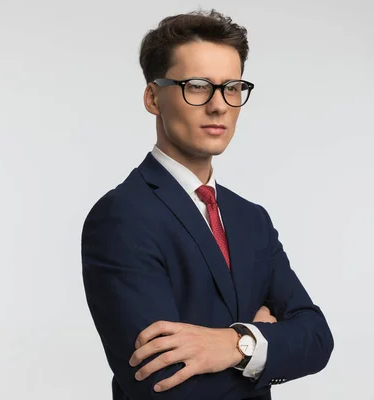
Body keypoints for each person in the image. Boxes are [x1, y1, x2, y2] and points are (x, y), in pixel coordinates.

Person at [81, 9, 334, 400]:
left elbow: (317, 339)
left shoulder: (252, 219)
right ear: (153, 97)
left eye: (232, 87)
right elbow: (162, 384)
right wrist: (267, 342)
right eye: (197, 86)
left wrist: (235, 344)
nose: (219, 106)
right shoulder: (121, 216)